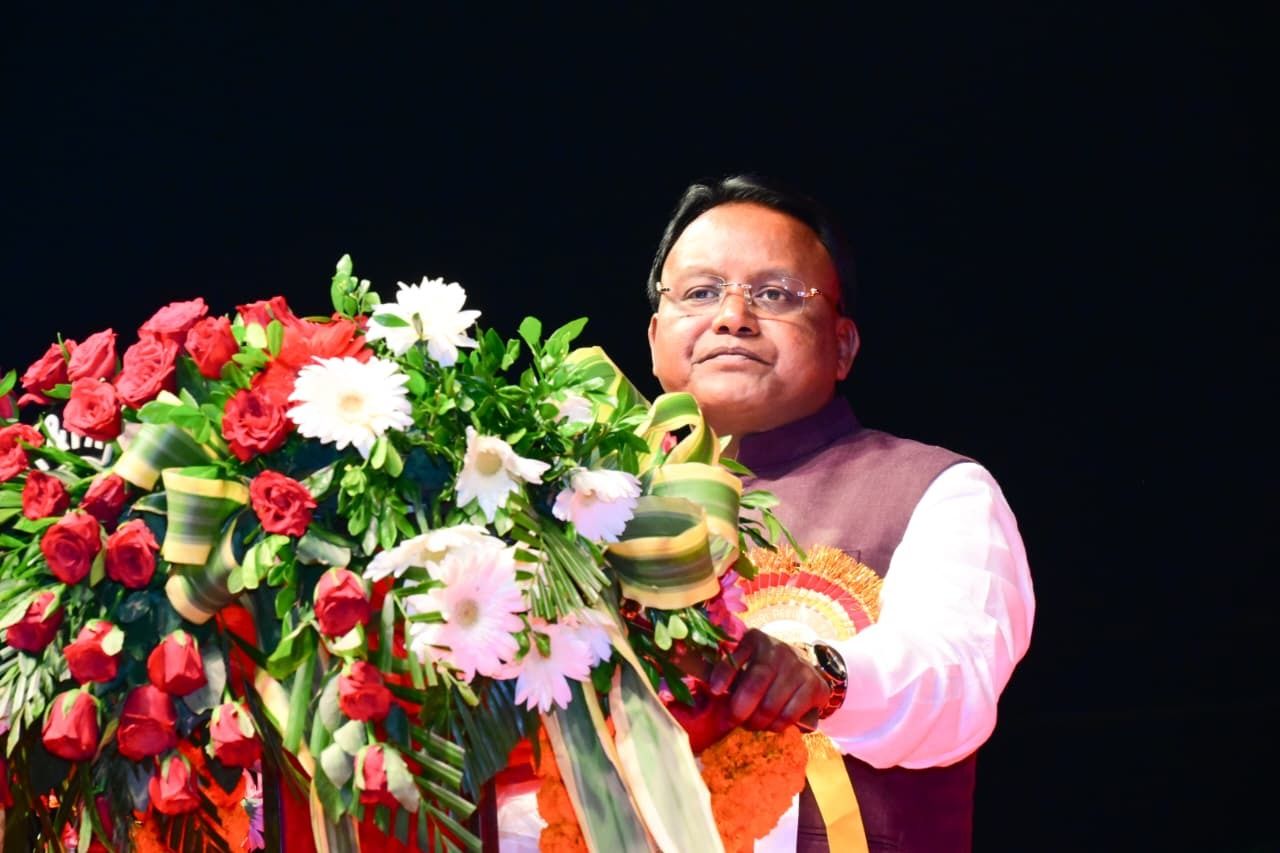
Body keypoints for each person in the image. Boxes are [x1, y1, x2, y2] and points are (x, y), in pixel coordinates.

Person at [645, 175, 1035, 852]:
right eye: (701, 292)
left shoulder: (937, 489)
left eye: (774, 294)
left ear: (843, 344)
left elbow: (953, 678)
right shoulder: (586, 507)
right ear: (655, 335)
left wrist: (817, 673)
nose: (732, 316)